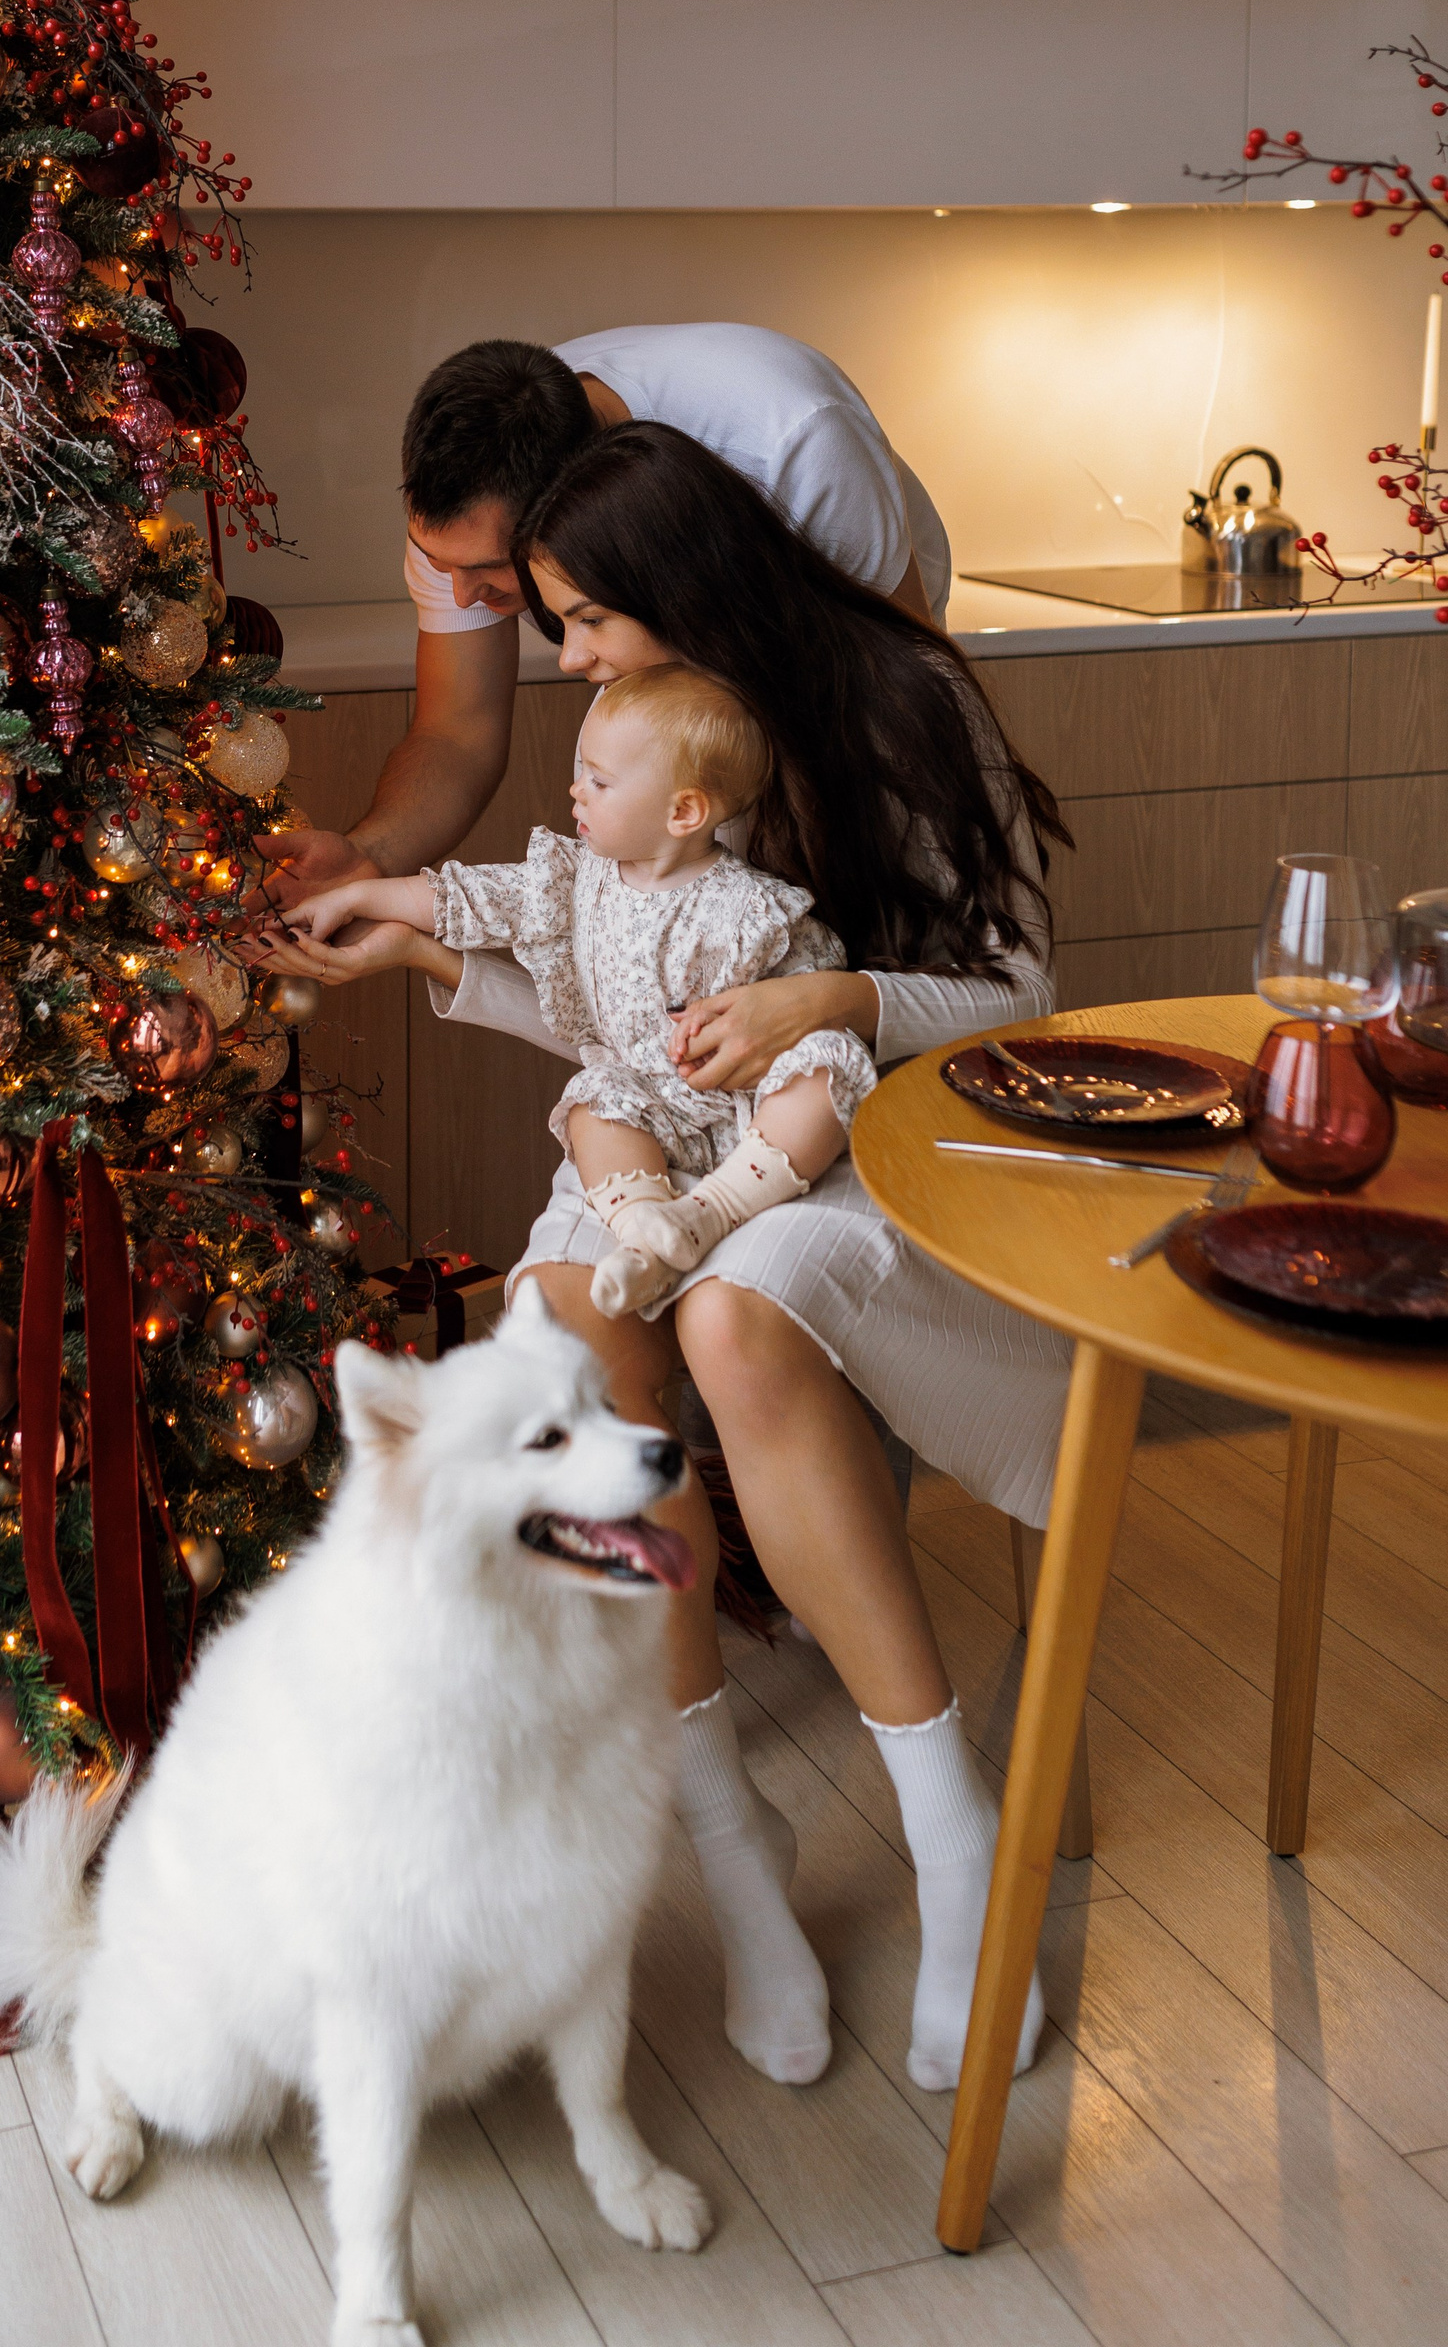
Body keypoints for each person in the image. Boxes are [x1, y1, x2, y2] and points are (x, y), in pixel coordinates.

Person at [258, 426, 1073, 2101]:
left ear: (679, 585)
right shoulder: (651, 742)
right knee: (573, 1353)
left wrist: (830, 999)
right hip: (681, 1150)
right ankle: (731, 1842)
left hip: (868, 1133)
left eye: (582, 620)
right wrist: (413, 942)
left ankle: (956, 1843)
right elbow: (625, 1022)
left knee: (738, 1319)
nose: (567, 660)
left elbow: (1017, 998)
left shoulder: (901, 701)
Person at [260, 325, 950, 904]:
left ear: (577, 509)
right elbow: (458, 731)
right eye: (436, 560)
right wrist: (371, 858)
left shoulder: (797, 440)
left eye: (491, 570)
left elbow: (909, 689)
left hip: (839, 629)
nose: (461, 595)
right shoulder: (469, 508)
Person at [282, 661, 877, 1317]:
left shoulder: (748, 909)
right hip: (653, 1109)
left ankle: (711, 1213)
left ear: (683, 811)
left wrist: (753, 1030)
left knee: (829, 1064)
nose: (576, 790)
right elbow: (468, 896)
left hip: (749, 1114)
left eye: (599, 780)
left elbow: (816, 995)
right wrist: (358, 896)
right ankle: (644, 1231)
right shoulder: (578, 880)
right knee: (593, 1102)